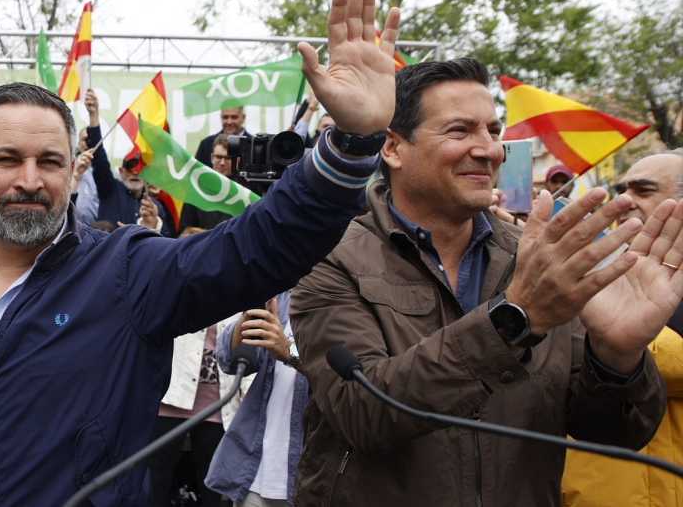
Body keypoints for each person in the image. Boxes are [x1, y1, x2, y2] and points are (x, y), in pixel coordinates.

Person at [0, 0, 394, 502]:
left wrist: (350, 144)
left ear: (73, 169)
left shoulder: (127, 272)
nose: (30, 179)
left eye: (49, 161)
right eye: (7, 159)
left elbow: (261, 245)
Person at [289, 56, 674, 506]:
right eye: (460, 131)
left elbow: (613, 433)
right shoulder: (329, 254)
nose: (490, 150)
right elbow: (364, 413)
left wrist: (617, 358)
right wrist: (514, 320)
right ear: (392, 147)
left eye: (493, 131)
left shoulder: (539, 257)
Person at [561, 149, 683, 507]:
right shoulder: (589, 275)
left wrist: (621, 344)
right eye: (621, 190)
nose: (625, 201)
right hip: (604, 490)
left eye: (643, 191)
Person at [148, 230, 253, 507]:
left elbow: (245, 344)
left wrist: (246, 390)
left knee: (213, 481)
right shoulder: (169, 288)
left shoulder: (236, 291)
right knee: (155, 477)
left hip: (216, 405)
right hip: (171, 398)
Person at [207, 292, 305, 507]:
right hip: (255, 471)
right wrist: (248, 318)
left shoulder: (344, 297)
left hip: (309, 478)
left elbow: (342, 373)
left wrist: (290, 354)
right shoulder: (285, 292)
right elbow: (228, 358)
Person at [83, 89, 174, 235]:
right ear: (121, 171)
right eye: (130, 168)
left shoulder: (154, 208)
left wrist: (147, 229)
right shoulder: (110, 188)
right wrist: (93, 115)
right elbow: (99, 158)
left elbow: (167, 243)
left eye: (139, 169)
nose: (135, 172)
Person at [178, 134, 236, 230]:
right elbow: (184, 231)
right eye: (218, 157)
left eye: (227, 158)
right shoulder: (195, 191)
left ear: (237, 160)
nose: (222, 162)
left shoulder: (246, 192)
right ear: (212, 158)